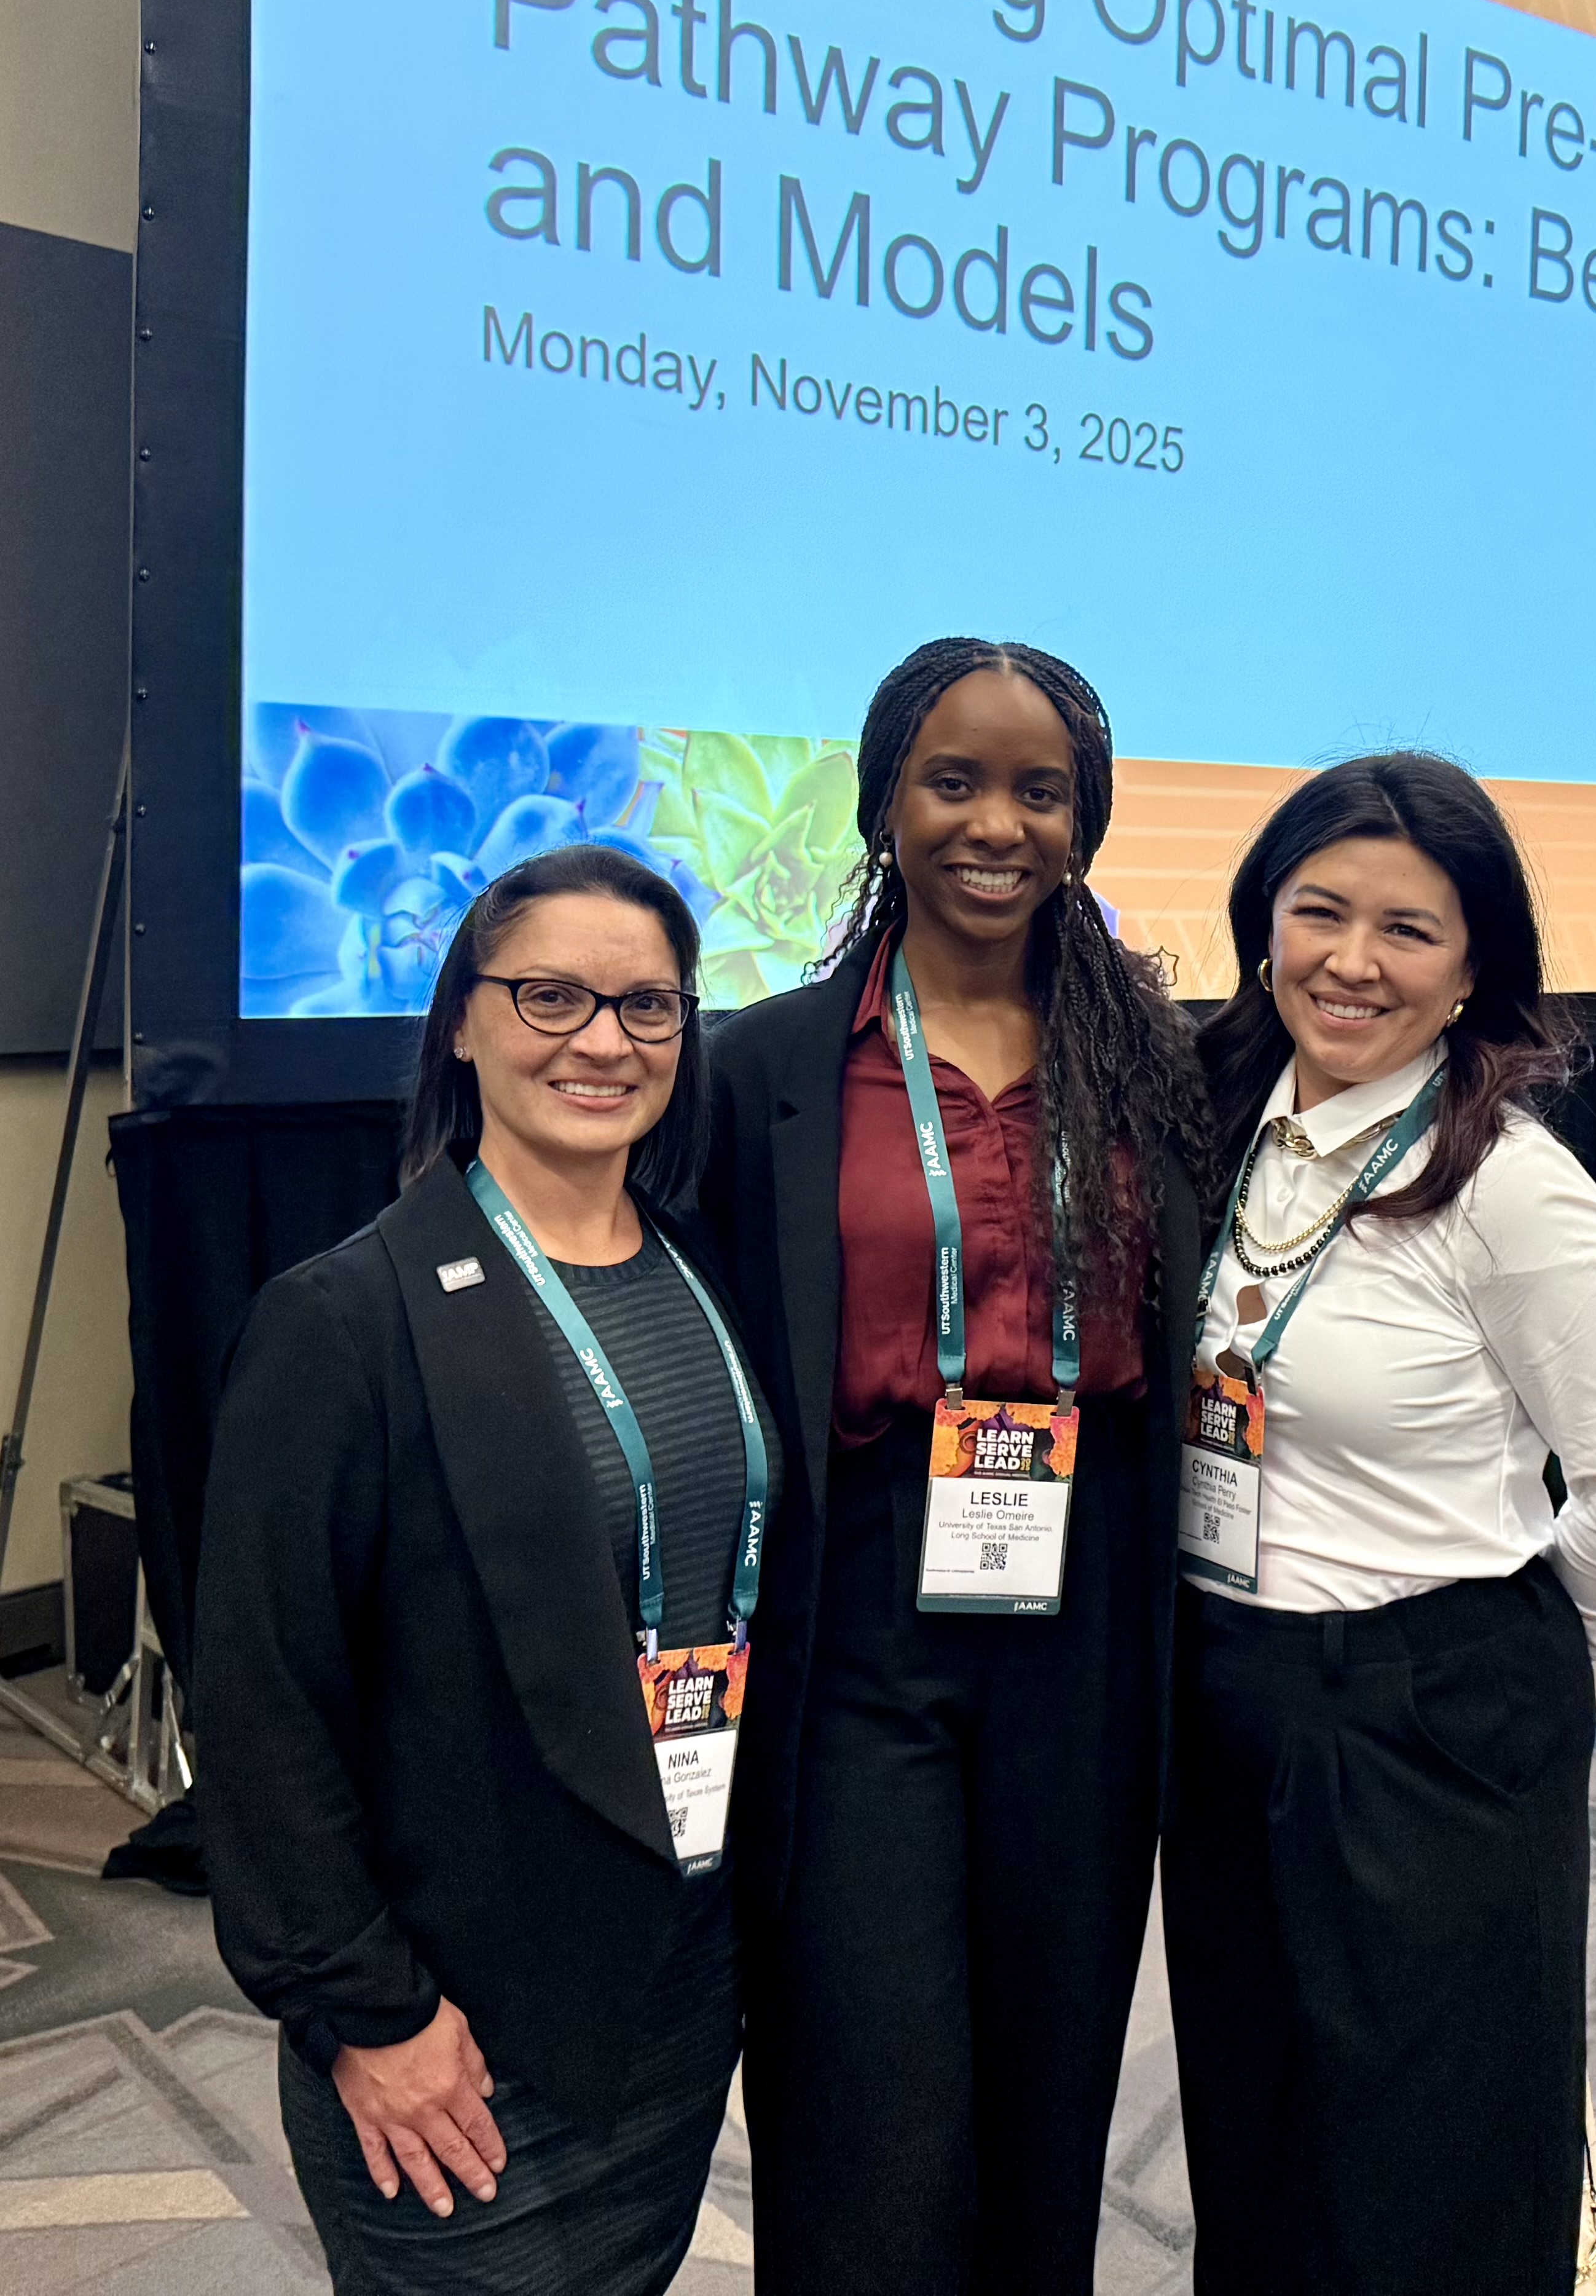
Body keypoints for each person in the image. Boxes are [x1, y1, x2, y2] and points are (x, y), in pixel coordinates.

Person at [1162, 753, 1596, 2295]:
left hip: (1432, 1711)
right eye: (1318, 911)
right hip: (1227, 1694)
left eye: (1411, 930)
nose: (1352, 961)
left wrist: (1495, 1659)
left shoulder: (1510, 1190)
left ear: (1478, 966)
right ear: (1261, 921)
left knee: (1436, 2149)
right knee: (1261, 2116)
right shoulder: (1222, 1125)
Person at [697, 636, 1210, 2295]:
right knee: (869, 2078)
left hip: (1090, 1603)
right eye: (955, 779)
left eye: (1040, 790)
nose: (998, 823)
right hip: (860, 1619)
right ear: (883, 803)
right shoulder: (762, 1069)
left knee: (1054, 2076)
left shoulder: (1159, 1065)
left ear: (1087, 820)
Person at [197, 844, 780, 2295]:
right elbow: (265, 1706)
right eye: (550, 997)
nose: (603, 1040)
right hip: (457, 2035)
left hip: (672, 1985)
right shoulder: (345, 1318)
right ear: (460, 1018)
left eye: (650, 1007)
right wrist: (367, 2018)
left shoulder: (719, 1276)